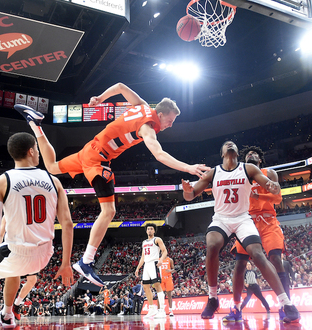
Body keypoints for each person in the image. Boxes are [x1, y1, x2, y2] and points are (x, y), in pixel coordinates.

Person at [15, 82, 209, 286]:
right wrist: (188, 167)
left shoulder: (141, 106)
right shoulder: (147, 127)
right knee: (108, 211)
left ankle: (35, 125)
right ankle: (86, 261)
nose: (171, 124)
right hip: (98, 160)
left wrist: (100, 97)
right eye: (171, 120)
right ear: (160, 114)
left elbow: (120, 86)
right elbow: (159, 154)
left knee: (53, 167)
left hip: (91, 149)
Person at [181, 141, 300, 323]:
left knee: (259, 255)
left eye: (233, 144)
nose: (230, 144)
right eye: (226, 144)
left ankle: (286, 302)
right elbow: (191, 195)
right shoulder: (214, 172)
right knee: (212, 246)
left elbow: (268, 184)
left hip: (244, 219)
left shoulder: (249, 169)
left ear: (237, 153)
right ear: (222, 153)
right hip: (222, 219)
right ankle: (213, 298)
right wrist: (187, 192)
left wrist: (272, 186)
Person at [0, 132, 74, 329]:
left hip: (17, 251)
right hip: (44, 255)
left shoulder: (1, 182)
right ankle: (8, 313)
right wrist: (66, 262)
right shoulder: (54, 181)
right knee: (14, 271)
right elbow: (67, 223)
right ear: (32, 151)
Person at [228, 145, 292, 320]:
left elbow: (278, 198)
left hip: (268, 220)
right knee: (240, 265)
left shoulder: (268, 173)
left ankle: (286, 306)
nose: (251, 154)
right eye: (248, 154)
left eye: (255, 153)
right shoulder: (239, 175)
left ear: (260, 160)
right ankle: (236, 308)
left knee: (276, 259)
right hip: (247, 222)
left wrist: (258, 197)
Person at [134, 223, 168, 319]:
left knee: (157, 285)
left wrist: (161, 260)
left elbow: (164, 251)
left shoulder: (157, 239)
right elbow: (143, 256)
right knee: (145, 287)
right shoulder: (144, 242)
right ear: (146, 231)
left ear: (154, 231)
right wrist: (138, 268)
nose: (149, 230)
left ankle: (162, 310)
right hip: (146, 265)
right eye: (148, 229)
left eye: (151, 229)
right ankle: (151, 308)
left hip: (154, 263)